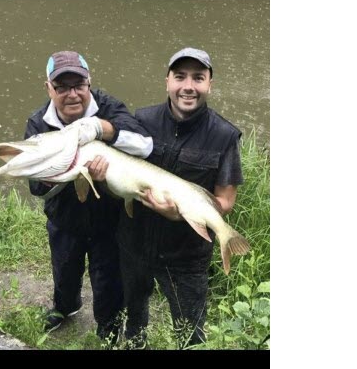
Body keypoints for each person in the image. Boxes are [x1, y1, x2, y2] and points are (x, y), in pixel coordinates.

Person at [117, 47, 244, 348]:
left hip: (186, 256)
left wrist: (178, 214)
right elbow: (120, 173)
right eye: (180, 77)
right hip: (133, 243)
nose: (188, 86)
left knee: (190, 333)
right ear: (167, 82)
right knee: (134, 318)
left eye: (198, 78)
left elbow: (224, 201)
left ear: (209, 84)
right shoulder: (142, 119)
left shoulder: (225, 136)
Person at [24, 50, 152, 342]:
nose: (72, 94)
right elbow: (36, 186)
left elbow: (144, 144)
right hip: (64, 220)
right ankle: (65, 308)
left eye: (78, 85)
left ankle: (107, 330)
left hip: (109, 220)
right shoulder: (38, 124)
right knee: (64, 271)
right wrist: (54, 173)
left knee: (108, 280)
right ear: (49, 88)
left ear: (89, 83)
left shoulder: (108, 107)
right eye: (61, 87)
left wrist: (101, 129)